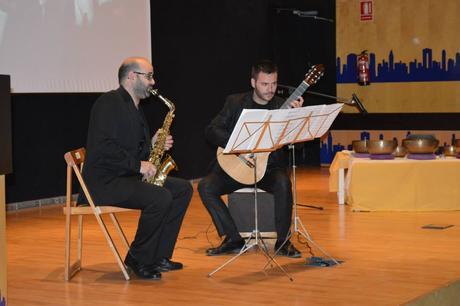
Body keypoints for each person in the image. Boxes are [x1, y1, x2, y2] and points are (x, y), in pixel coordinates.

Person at [80, 57, 193, 280]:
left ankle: (159, 256)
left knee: (182, 190)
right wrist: (138, 165)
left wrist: (152, 144)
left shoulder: (135, 107)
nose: (153, 82)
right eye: (149, 76)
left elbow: (130, 148)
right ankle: (138, 257)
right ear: (132, 76)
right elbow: (103, 148)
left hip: (124, 176)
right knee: (159, 198)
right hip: (104, 182)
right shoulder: (108, 103)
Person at [198, 60, 303, 258]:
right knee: (206, 186)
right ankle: (233, 238)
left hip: (268, 170)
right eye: (265, 84)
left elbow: (298, 145)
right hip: (238, 166)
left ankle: (283, 241)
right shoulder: (235, 102)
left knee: (283, 182)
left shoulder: (283, 106)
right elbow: (211, 131)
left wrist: (295, 121)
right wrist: (239, 144)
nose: (270, 89)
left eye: (273, 84)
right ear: (253, 82)